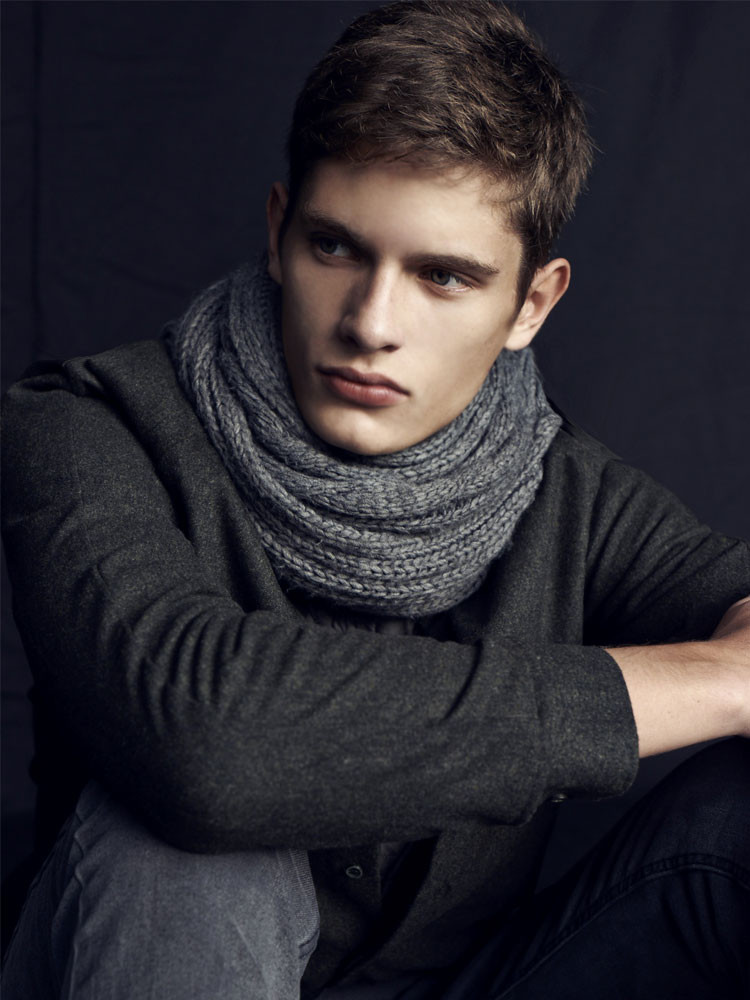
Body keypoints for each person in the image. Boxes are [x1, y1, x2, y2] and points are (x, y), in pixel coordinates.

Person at [2, 1, 748, 997]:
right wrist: (719, 682)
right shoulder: (88, 428)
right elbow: (210, 744)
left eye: (443, 276)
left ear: (531, 304)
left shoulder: (569, 491)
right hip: (156, 951)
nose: (371, 322)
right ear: (279, 232)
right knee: (193, 840)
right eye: (336, 248)